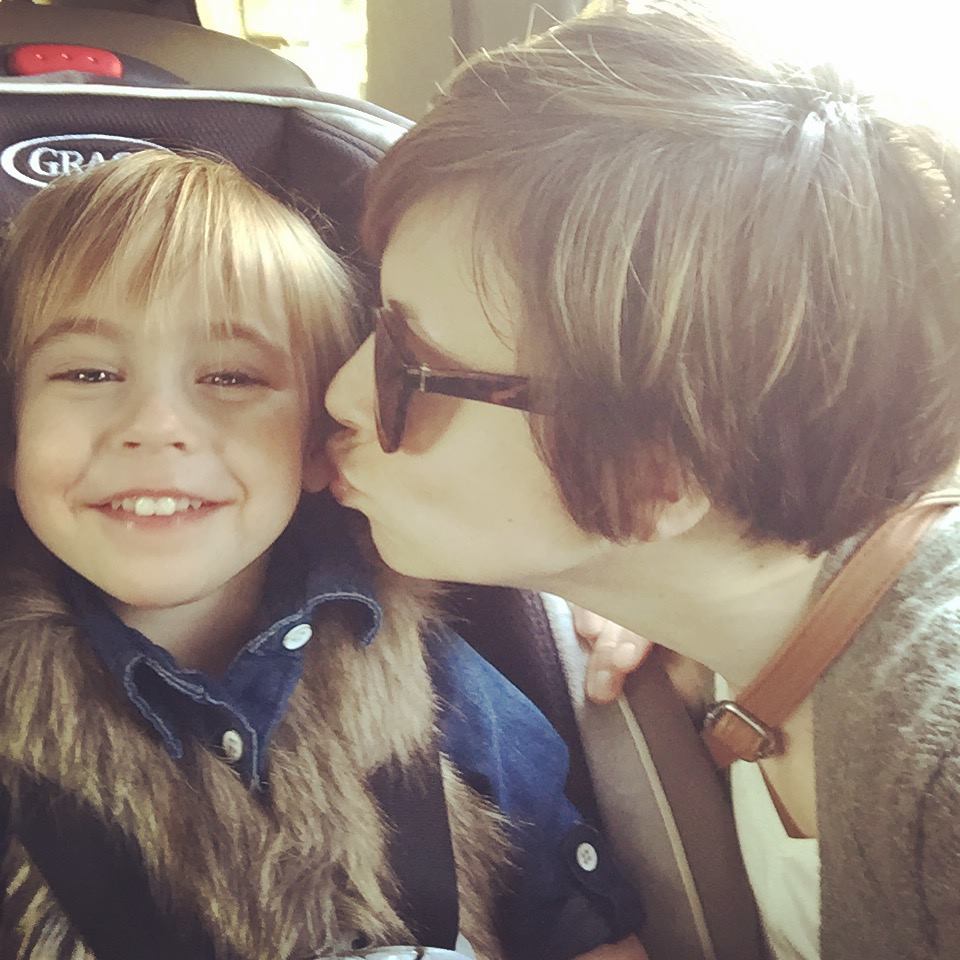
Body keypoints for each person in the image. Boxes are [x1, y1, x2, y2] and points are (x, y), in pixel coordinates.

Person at [323, 4, 960, 959]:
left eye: (406, 370)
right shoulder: (721, 626)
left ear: (661, 471)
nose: (339, 393)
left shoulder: (939, 770)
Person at [0, 150, 646, 960]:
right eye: (89, 372)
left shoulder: (441, 686)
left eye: (231, 378)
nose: (156, 426)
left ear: (317, 442)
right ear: (11, 432)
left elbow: (584, 935)